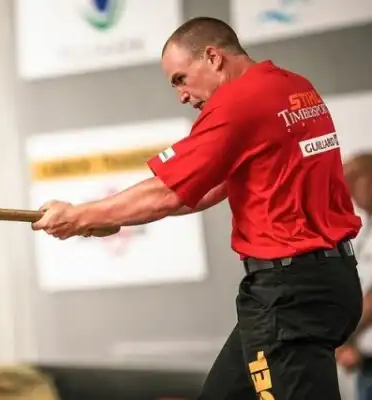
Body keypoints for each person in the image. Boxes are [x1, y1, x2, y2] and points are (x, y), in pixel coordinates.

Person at [31, 16, 364, 399]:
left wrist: (79, 215)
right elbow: (204, 189)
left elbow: (168, 191)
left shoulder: (239, 102)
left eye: (180, 79)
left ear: (213, 57)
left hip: (289, 296)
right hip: (324, 282)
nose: (182, 96)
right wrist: (112, 216)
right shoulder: (293, 86)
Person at [336, 153, 372, 400]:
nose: (349, 191)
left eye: (355, 179)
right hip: (364, 359)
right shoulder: (365, 229)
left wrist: (343, 339)